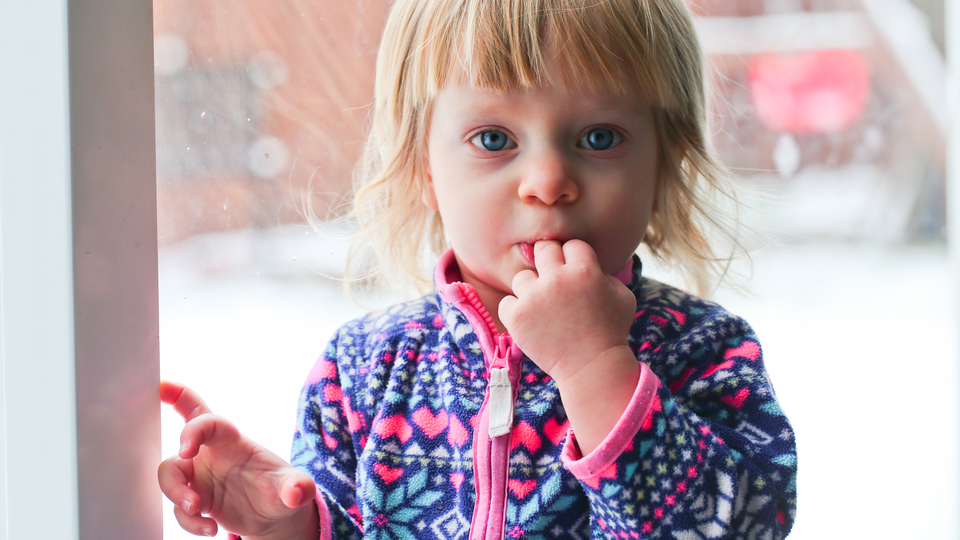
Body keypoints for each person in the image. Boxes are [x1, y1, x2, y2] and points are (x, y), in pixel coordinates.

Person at [158, 0, 798, 538]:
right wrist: (286, 522)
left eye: (599, 138)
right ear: (425, 170)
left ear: (666, 165)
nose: (547, 182)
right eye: (495, 139)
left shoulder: (704, 351)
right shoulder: (361, 367)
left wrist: (597, 367)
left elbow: (740, 524)